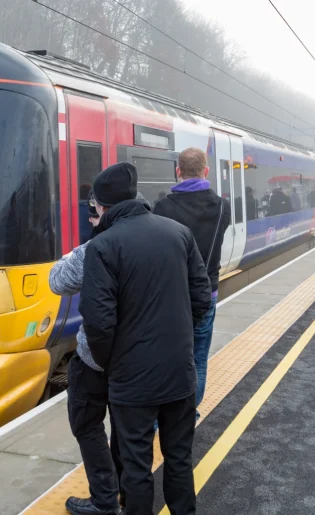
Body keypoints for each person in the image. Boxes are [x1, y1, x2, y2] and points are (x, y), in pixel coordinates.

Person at [81, 162, 211, 515]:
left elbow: (98, 323)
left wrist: (113, 364)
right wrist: (180, 338)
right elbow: (202, 297)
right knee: (179, 458)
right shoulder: (178, 233)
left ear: (102, 207)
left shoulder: (102, 246)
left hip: (132, 379)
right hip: (179, 372)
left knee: (137, 468)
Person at [50, 199, 124, 515]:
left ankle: (105, 499)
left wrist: (70, 254)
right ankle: (126, 493)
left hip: (95, 358)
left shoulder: (95, 247)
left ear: (103, 210)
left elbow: (59, 280)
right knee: (127, 427)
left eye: (93, 209)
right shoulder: (169, 235)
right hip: (136, 358)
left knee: (87, 424)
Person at [153, 147, 231, 417]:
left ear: (178, 172)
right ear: (206, 171)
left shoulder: (162, 207)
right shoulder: (223, 206)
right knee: (198, 358)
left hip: (169, 298)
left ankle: (157, 419)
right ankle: (187, 414)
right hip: (205, 294)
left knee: (165, 359)